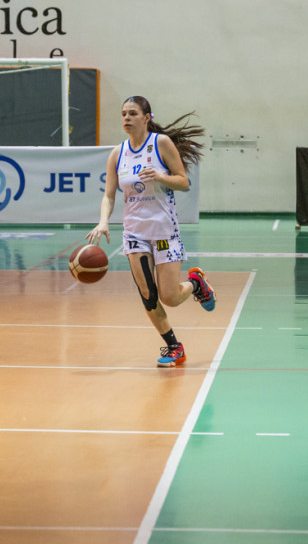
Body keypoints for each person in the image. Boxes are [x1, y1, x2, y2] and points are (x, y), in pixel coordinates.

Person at [85, 95, 216, 367]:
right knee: (148, 294)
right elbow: (109, 195)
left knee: (169, 296)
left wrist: (159, 177)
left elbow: (183, 182)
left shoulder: (161, 144)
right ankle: (174, 346)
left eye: (132, 113)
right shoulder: (117, 153)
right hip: (134, 234)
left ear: (146, 117)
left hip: (164, 231)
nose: (126, 118)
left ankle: (196, 284)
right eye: (123, 114)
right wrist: (103, 221)